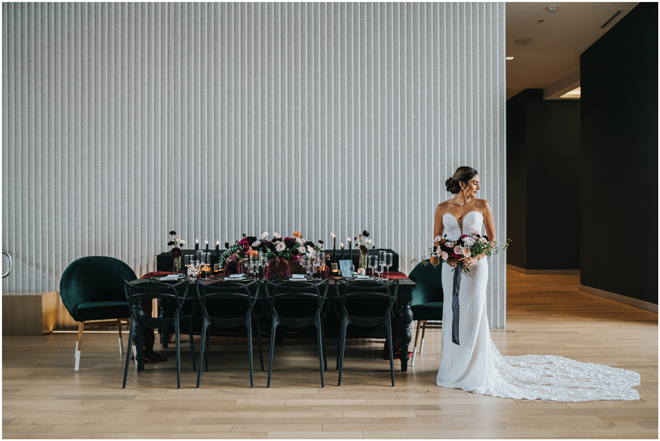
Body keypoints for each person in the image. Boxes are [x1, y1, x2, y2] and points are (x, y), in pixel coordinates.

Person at [433, 166, 640, 401]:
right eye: (474, 182)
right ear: (462, 184)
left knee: (475, 312)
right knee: (452, 312)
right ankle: (452, 368)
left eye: (478, 182)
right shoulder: (442, 208)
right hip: (451, 269)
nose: (478, 186)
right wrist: (447, 257)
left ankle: (475, 370)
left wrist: (477, 257)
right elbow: (437, 241)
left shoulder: (483, 205)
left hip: (477, 269)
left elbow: (492, 240)